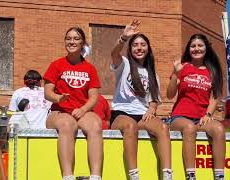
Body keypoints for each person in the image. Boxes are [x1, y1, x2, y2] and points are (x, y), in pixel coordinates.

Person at [110, 19, 172, 180]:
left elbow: (154, 100)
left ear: (148, 49)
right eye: (135, 44)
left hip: (143, 115)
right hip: (121, 114)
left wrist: (152, 109)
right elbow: (114, 53)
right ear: (130, 49)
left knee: (164, 128)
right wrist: (124, 38)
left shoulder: (152, 74)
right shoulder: (123, 64)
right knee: (130, 126)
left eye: (143, 45)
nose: (139, 48)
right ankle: (134, 175)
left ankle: (167, 174)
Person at [43, 27, 103, 180]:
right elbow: (47, 92)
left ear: (82, 43)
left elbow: (94, 97)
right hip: (59, 111)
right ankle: (67, 176)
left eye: (76, 39)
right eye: (68, 38)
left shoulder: (90, 68)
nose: (72, 41)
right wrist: (58, 98)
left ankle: (96, 176)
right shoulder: (56, 65)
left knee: (96, 125)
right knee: (68, 125)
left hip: (81, 111)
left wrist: (83, 109)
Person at [166, 33, 225, 180]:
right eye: (193, 46)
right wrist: (175, 74)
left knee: (218, 129)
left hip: (201, 118)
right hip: (180, 117)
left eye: (200, 45)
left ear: (206, 48)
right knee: (189, 128)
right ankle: (190, 175)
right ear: (188, 49)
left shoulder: (212, 71)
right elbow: (169, 94)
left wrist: (208, 114)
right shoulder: (183, 67)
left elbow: (215, 97)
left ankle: (220, 176)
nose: (196, 48)